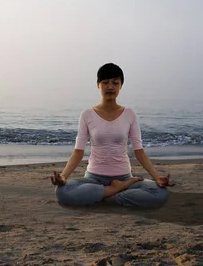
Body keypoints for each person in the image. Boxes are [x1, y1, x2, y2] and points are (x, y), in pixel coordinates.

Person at [51, 63, 172, 208]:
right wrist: (63, 177)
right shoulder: (87, 115)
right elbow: (78, 151)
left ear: (120, 86)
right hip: (93, 179)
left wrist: (157, 178)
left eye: (115, 83)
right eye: (105, 82)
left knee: (161, 193)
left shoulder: (130, 114)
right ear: (98, 85)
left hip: (124, 178)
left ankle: (108, 196)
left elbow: (139, 151)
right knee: (62, 191)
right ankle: (113, 191)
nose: (110, 87)